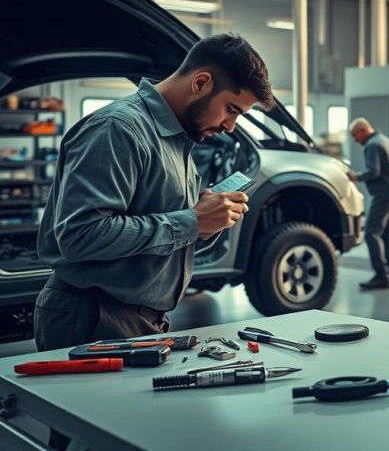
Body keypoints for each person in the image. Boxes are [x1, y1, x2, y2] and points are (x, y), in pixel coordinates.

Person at [34, 33, 273, 449]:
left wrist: (206, 221)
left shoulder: (179, 140)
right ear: (200, 83)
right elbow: (79, 236)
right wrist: (190, 222)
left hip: (139, 321)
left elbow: (157, 229)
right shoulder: (118, 129)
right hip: (91, 315)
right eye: (231, 109)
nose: (230, 126)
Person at [347, 118, 389, 290]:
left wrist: (356, 177)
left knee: (372, 232)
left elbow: (374, 171)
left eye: (355, 136)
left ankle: (381, 276)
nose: (355, 140)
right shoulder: (387, 142)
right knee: (388, 232)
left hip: (383, 194)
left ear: (363, 130)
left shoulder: (372, 145)